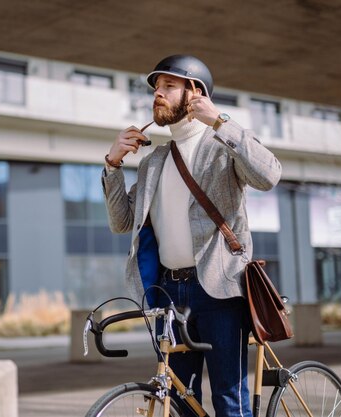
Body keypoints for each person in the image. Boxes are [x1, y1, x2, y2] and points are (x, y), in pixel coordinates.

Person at [101, 55, 282, 417]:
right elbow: (122, 221)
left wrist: (220, 120)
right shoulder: (154, 161)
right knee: (182, 402)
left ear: (195, 91)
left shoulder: (222, 144)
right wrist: (112, 164)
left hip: (219, 289)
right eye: (156, 88)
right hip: (168, 293)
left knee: (229, 401)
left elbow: (269, 175)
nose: (158, 94)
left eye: (169, 86)